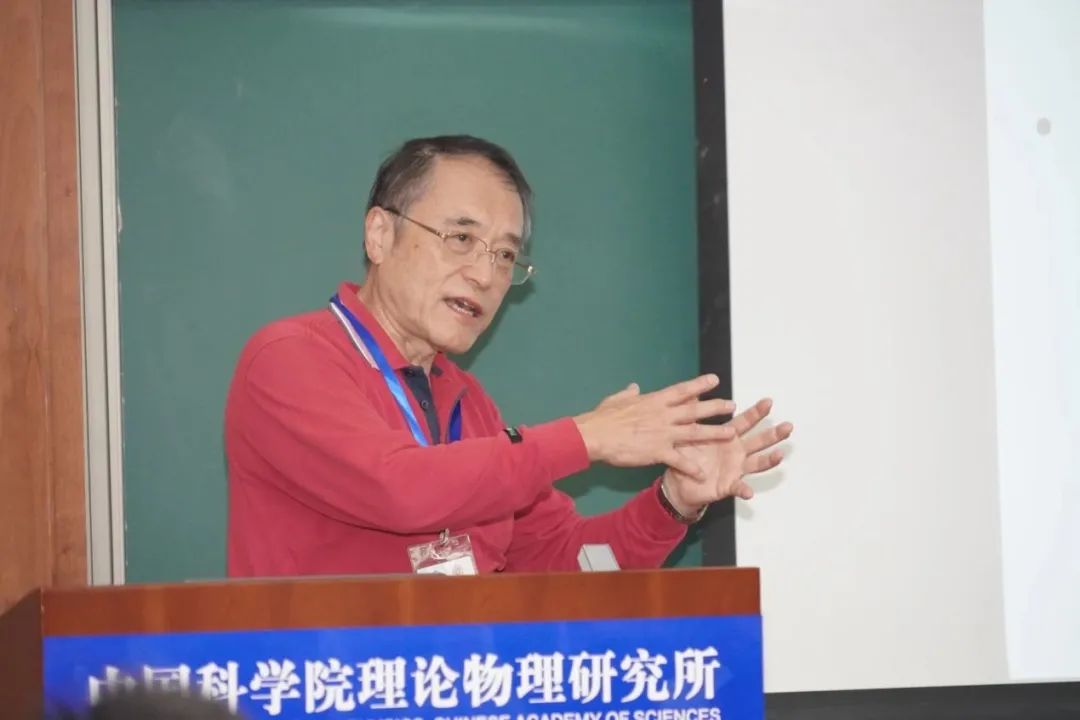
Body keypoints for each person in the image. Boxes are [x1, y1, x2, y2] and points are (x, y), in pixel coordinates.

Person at [224, 135, 792, 576]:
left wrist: (673, 502)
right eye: (461, 239)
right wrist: (585, 437)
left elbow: (577, 566)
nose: (485, 274)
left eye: (504, 255)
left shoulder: (468, 406)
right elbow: (400, 487)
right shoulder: (289, 359)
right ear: (379, 234)